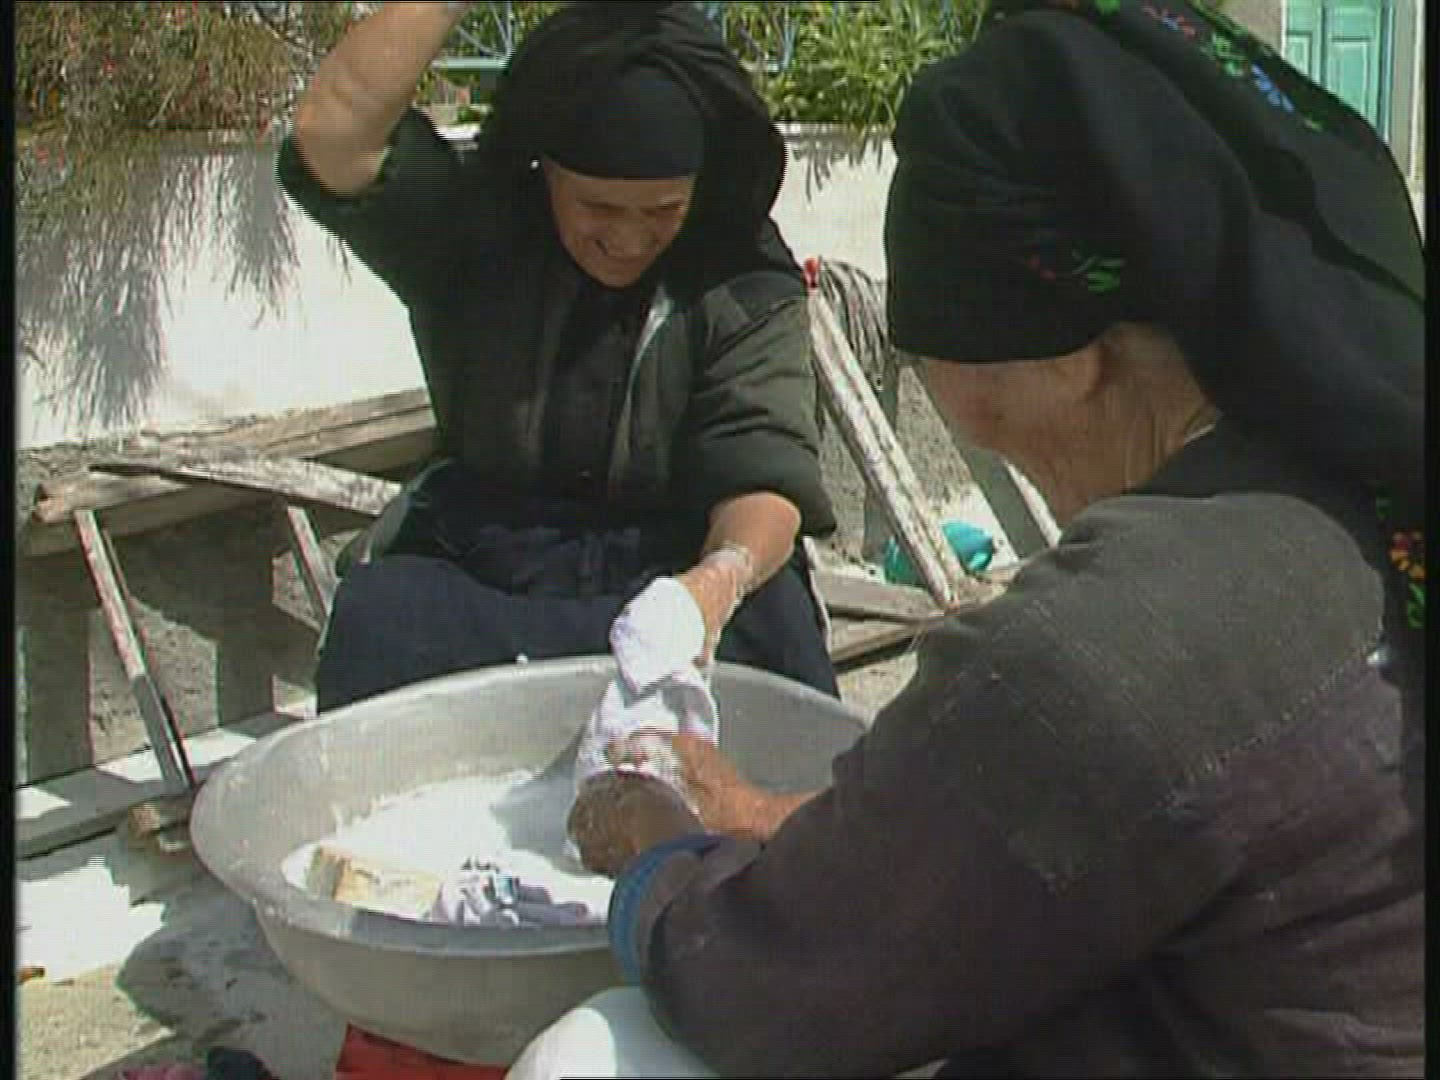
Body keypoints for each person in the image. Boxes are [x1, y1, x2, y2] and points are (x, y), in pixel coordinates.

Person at [539, 0, 1427, 1075]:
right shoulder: (1356, 482)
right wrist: (756, 813)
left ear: (1073, 358)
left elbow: (763, 985)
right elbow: (1078, 829)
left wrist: (655, 849)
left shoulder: (1136, 633)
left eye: (981, 420)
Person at [278, 1, 838, 711]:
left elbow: (765, 478)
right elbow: (334, 138)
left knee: (776, 641)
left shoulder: (741, 269)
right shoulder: (473, 232)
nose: (628, 240)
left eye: (662, 210)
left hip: (674, 561)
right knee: (384, 626)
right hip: (486, 559)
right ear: (546, 173)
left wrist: (711, 586)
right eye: (597, 208)